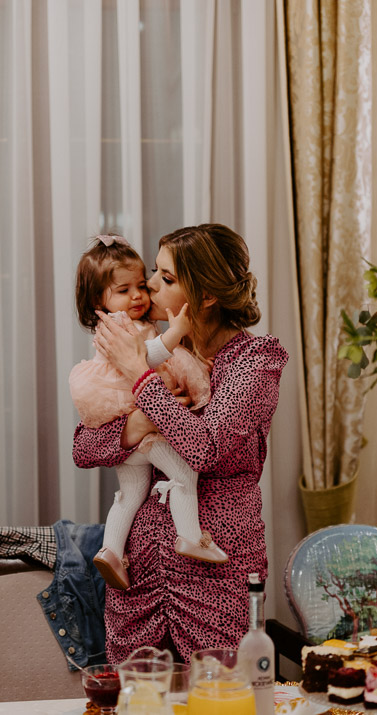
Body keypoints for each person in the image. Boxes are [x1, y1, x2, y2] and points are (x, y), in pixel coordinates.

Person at [73, 223, 288, 663]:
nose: (149, 286)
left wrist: (141, 377)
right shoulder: (155, 342)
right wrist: (135, 424)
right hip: (139, 573)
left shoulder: (254, 361)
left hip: (216, 572)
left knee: (223, 691)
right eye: (155, 271)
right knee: (136, 693)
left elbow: (205, 448)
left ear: (206, 296)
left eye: (165, 278)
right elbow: (83, 448)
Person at [70, 234, 227, 592]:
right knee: (183, 472)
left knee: (131, 492)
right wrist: (176, 333)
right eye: (124, 290)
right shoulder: (121, 327)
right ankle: (190, 535)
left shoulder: (123, 323)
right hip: (141, 424)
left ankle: (111, 550)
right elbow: (147, 358)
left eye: (141, 285)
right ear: (98, 300)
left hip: (130, 432)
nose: (141, 294)